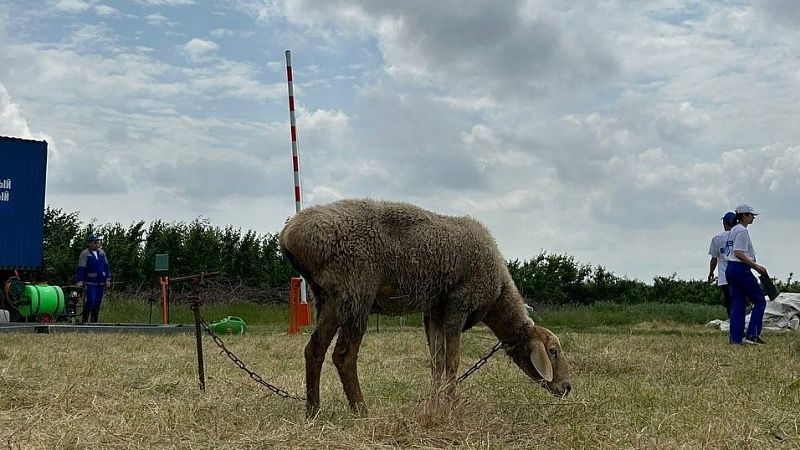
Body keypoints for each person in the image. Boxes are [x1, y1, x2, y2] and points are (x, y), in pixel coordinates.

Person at [724, 204, 767, 345]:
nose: (753, 217)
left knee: (737, 303)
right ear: (743, 216)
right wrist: (756, 266)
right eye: (750, 215)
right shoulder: (742, 231)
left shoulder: (733, 230)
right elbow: (738, 252)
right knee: (760, 301)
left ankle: (735, 338)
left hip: (730, 269)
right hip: (740, 269)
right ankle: (752, 334)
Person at [76, 234, 112, 323]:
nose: (96, 244)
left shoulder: (102, 253)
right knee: (91, 300)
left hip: (101, 282)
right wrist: (80, 280)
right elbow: (81, 267)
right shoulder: (85, 253)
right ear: (89, 243)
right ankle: (84, 320)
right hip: (90, 282)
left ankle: (94, 321)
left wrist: (108, 278)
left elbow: (106, 266)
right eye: (94, 242)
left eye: (97, 242)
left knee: (98, 302)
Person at [708, 211, 736, 318]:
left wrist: (711, 273)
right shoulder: (741, 235)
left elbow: (714, 259)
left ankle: (734, 325)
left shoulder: (717, 239)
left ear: (725, 223)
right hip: (740, 274)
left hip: (725, 276)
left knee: (729, 302)